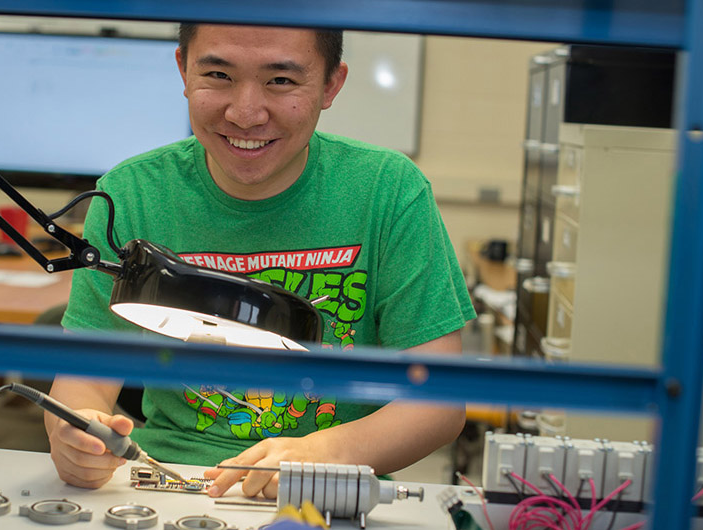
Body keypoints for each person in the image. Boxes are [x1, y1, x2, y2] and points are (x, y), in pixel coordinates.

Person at [46, 23, 476, 499]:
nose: (246, 113)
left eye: (281, 81)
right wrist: (79, 434)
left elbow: (439, 402)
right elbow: (84, 378)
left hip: (325, 489)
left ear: (331, 84)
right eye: (218, 74)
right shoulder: (132, 193)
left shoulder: (388, 191)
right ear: (183, 71)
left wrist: (325, 453)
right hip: (164, 478)